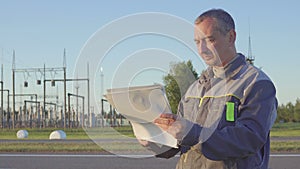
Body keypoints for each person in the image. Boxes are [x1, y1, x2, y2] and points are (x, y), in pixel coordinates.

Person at [141, 9, 278, 169]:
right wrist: (155, 142)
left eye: (209, 40)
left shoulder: (256, 83)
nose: (202, 49)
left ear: (231, 37)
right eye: (197, 42)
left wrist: (192, 133)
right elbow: (179, 142)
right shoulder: (195, 88)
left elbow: (248, 139)